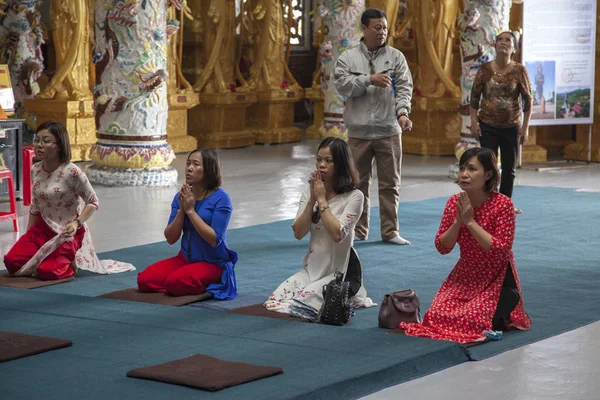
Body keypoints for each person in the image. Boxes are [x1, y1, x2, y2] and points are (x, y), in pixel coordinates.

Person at [400, 148, 531, 344]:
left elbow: (501, 250)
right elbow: (442, 247)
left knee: (472, 317)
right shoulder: (454, 202)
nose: (464, 175)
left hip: (496, 276)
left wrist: (470, 222)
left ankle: (495, 316)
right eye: (462, 169)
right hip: (465, 274)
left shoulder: (503, 205)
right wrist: (458, 223)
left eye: (472, 169)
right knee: (435, 315)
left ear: (488, 174)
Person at [3, 121, 134, 279]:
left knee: (49, 272)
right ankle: (48, 257)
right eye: (37, 140)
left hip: (67, 231)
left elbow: (93, 201)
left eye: (46, 141)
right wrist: (28, 236)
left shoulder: (72, 172)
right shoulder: (35, 170)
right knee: (11, 262)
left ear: (59, 145)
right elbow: (36, 206)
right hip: (42, 229)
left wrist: (76, 223)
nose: (39, 145)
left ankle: (68, 263)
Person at [264, 137, 375, 315]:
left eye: (328, 161)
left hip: (339, 272)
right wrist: (312, 201)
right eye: (319, 159)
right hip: (311, 269)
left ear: (341, 164)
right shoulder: (310, 191)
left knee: (301, 304)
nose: (321, 165)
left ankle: (347, 295)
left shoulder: (355, 196)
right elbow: (298, 233)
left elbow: (337, 234)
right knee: (276, 300)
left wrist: (322, 200)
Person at [334, 8, 413, 245]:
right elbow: (342, 85)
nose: (382, 32)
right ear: (365, 29)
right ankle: (358, 231)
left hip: (389, 130)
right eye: (377, 28)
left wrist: (402, 113)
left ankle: (390, 231)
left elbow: (404, 88)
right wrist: (369, 79)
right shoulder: (347, 58)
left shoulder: (396, 57)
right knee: (356, 184)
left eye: (385, 28)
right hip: (358, 132)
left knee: (391, 184)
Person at [137, 149, 237, 299]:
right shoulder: (181, 196)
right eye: (188, 164)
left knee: (175, 283)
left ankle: (212, 280)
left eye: (196, 165)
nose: (189, 168)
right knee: (144, 281)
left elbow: (215, 239)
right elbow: (170, 238)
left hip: (213, 262)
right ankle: (181, 280)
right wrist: (182, 210)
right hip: (184, 259)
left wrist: (191, 211)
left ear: (209, 169)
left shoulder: (221, 198)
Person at [470, 31, 533, 202]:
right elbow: (474, 98)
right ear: (495, 45)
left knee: (508, 169)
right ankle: (489, 202)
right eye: (500, 40)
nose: (503, 43)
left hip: (511, 127)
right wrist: (474, 122)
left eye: (508, 41)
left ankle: (504, 203)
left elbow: (528, 100)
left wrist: (525, 128)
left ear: (514, 48)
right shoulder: (485, 69)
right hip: (487, 125)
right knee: (488, 168)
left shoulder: (520, 70)